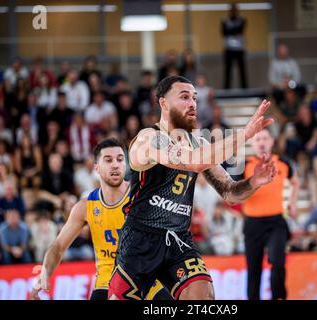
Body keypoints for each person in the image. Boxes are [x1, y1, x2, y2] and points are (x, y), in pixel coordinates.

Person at [107, 75, 277, 300]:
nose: (193, 104)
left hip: (179, 238)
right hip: (141, 240)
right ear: (163, 103)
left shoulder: (199, 143)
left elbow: (230, 192)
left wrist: (254, 182)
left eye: (195, 98)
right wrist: (244, 135)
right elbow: (195, 161)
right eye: (184, 97)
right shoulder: (149, 139)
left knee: (203, 296)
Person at [30, 138, 170, 300]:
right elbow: (58, 246)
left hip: (143, 277)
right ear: (96, 167)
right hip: (107, 280)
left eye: (120, 159)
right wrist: (45, 273)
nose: (115, 165)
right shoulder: (86, 206)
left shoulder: (141, 197)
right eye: (108, 160)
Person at [242, 127, 299, 300]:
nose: (262, 143)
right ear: (252, 143)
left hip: (277, 221)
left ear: (272, 142)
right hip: (252, 223)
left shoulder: (283, 162)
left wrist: (293, 204)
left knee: (278, 262)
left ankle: (279, 297)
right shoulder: (245, 165)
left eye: (265, 139)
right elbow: (232, 192)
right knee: (254, 268)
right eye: (258, 139)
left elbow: (295, 182)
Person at [221, 3, 247, 89]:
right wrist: (235, 30)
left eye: (234, 10)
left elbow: (240, 30)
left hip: (239, 49)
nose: (233, 12)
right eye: (231, 10)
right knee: (228, 70)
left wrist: (231, 30)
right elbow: (224, 33)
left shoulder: (242, 20)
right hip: (229, 48)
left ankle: (244, 88)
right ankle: (226, 89)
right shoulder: (224, 21)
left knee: (242, 70)